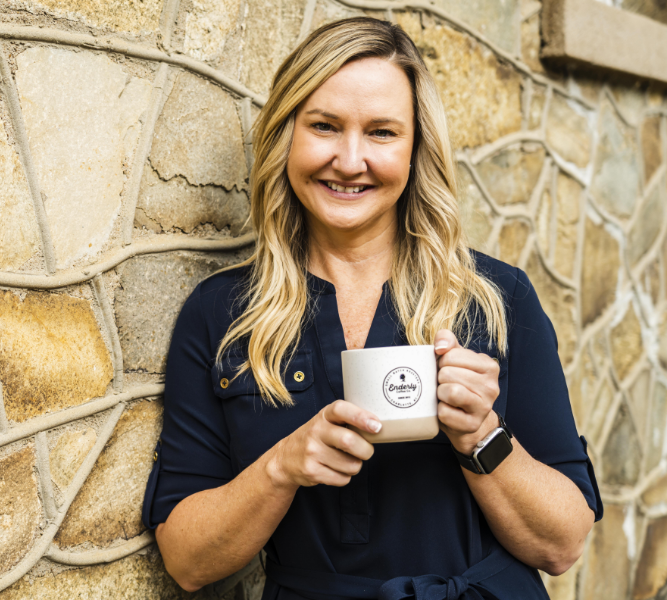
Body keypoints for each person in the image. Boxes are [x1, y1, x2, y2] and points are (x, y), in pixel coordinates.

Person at [142, 17, 602, 600]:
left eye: (382, 132)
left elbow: (562, 545)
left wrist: (480, 433)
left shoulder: (495, 297)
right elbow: (186, 561)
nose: (350, 159)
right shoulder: (223, 314)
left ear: (415, 149)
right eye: (325, 126)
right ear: (287, 136)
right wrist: (280, 468)